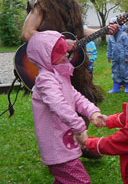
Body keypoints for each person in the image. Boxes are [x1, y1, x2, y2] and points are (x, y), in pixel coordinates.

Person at [21, 0, 117, 106]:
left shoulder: (73, 4)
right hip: (50, 69)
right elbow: (27, 33)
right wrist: (59, 43)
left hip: (75, 69)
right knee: (60, 112)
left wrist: (104, 30)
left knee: (85, 105)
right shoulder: (42, 2)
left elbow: (78, 31)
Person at [26, 30, 106, 183]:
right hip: (56, 147)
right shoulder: (45, 80)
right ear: (46, 57)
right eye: (60, 53)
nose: (66, 55)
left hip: (64, 143)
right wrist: (79, 127)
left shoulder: (59, 74)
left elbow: (76, 97)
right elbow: (59, 105)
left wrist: (92, 112)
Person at [107, 17, 128, 94]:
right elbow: (109, 47)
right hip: (115, 57)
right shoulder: (110, 37)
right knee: (115, 71)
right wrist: (109, 56)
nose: (111, 26)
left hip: (123, 58)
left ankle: (127, 86)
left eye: (112, 24)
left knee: (124, 71)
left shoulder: (123, 36)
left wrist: (127, 57)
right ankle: (116, 87)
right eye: (110, 24)